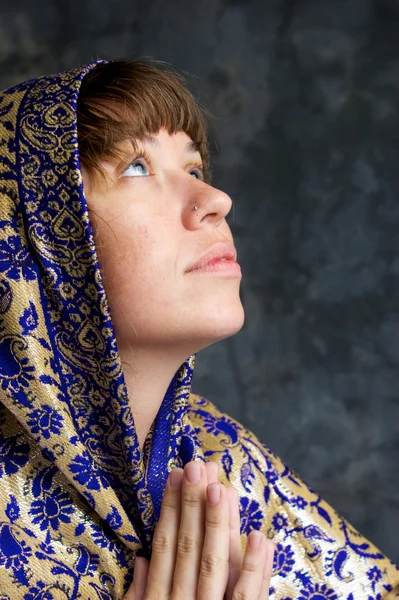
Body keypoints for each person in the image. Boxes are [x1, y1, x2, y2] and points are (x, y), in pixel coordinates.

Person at [0, 58, 397, 599]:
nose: (215, 201)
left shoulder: (223, 464)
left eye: (195, 169)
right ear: (31, 235)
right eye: (137, 166)